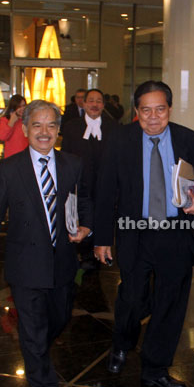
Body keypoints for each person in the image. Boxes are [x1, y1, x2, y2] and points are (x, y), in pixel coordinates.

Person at [93, 80, 194, 387]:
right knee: (132, 297)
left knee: (170, 303)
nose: (153, 117)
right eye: (145, 110)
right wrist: (102, 238)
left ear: (169, 109)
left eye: (160, 109)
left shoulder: (188, 139)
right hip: (136, 231)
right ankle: (122, 341)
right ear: (136, 112)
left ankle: (155, 370)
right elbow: (106, 190)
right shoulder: (120, 140)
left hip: (176, 233)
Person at [0, 100, 92, 387]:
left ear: (58, 131)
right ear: (25, 130)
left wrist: (86, 226)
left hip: (63, 261)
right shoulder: (9, 169)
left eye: (50, 125)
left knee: (60, 318)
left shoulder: (72, 164)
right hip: (25, 264)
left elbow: (85, 201)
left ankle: (37, 349)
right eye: (36, 125)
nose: (44, 132)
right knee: (32, 327)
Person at [61, 88, 118, 268]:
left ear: (103, 105)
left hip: (105, 183)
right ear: (83, 104)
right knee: (82, 215)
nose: (95, 105)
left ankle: (101, 248)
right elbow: (65, 155)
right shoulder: (71, 127)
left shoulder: (113, 127)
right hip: (80, 183)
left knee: (103, 214)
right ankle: (84, 253)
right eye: (91, 101)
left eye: (99, 101)